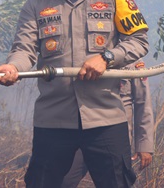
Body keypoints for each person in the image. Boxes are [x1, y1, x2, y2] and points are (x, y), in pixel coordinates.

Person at [0, 0, 149, 188]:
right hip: (54, 119)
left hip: (105, 115)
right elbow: (24, 49)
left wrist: (106, 57)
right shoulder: (37, 3)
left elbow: (139, 41)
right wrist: (12, 67)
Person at [61, 59, 154, 188]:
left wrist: (144, 144)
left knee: (115, 183)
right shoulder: (84, 55)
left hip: (115, 140)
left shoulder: (132, 60)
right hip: (80, 131)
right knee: (62, 180)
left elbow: (142, 102)